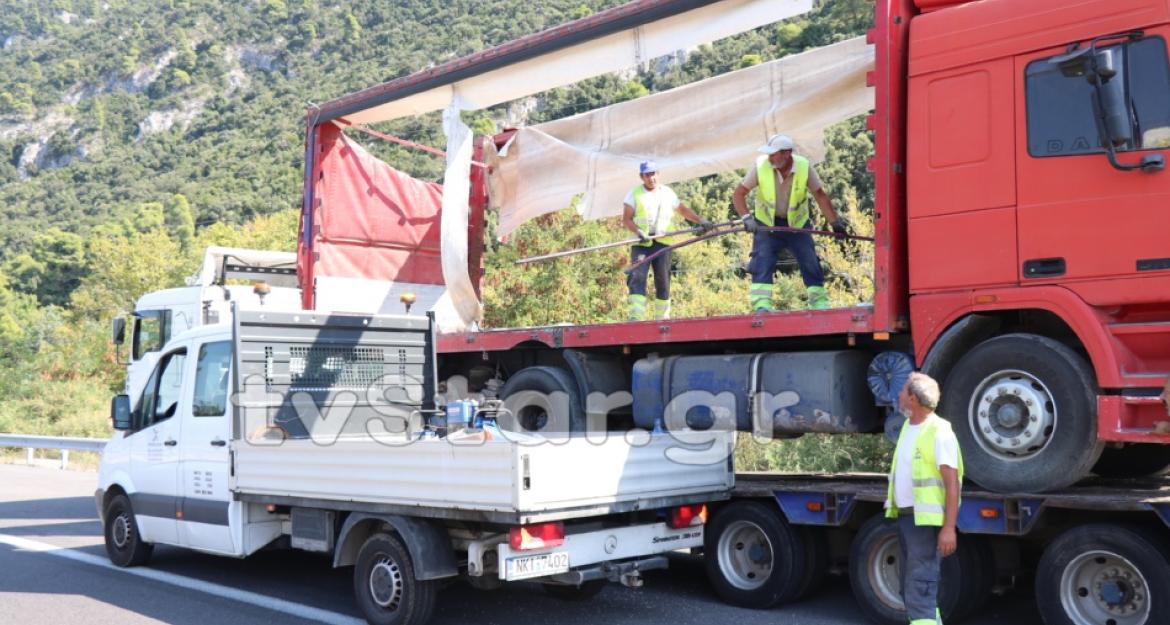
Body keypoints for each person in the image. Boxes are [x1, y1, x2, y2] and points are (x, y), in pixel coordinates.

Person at [732, 134, 847, 311]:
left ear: (787, 154)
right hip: (767, 224)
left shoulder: (803, 166)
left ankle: (819, 304)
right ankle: (762, 306)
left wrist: (835, 222)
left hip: (797, 224)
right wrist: (747, 218)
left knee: (810, 260)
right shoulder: (761, 165)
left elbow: (820, 195)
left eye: (774, 154)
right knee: (762, 261)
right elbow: (739, 194)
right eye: (769, 154)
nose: (770, 157)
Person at [885, 372, 964, 625]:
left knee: (920, 587)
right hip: (909, 517)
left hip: (927, 523)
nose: (898, 395)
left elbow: (953, 484)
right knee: (912, 588)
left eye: (902, 391)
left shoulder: (939, 432)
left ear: (913, 398)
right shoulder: (910, 426)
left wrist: (948, 528)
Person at [621, 161, 712, 320]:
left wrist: (700, 220)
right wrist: (638, 231)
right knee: (637, 276)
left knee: (663, 279)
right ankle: (636, 317)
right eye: (647, 175)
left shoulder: (668, 193)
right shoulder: (633, 194)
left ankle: (662, 318)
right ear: (641, 177)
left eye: (653, 174)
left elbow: (683, 210)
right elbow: (626, 219)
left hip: (663, 243)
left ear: (658, 174)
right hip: (641, 243)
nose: (651, 178)